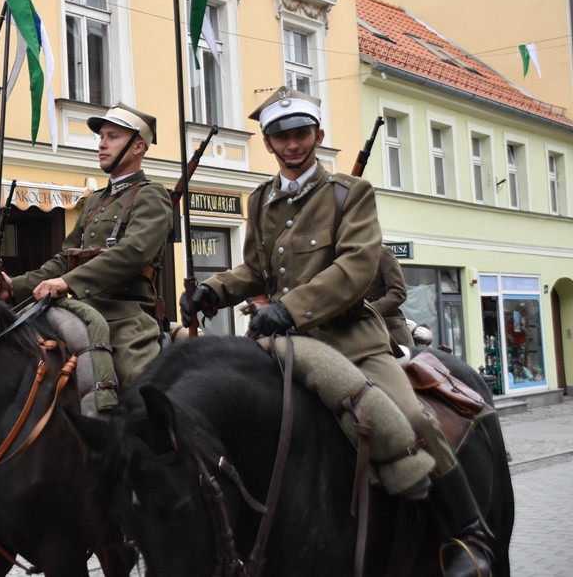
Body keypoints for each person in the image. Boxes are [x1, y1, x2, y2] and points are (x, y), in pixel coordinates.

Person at [180, 86, 492, 577]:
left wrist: (289, 309)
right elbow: (256, 270)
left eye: (301, 134)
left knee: (410, 416)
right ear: (267, 143)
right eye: (280, 136)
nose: (292, 145)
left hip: (351, 341)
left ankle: (468, 535)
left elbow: (356, 268)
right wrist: (215, 290)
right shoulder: (260, 199)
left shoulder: (349, 194)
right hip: (281, 346)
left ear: (318, 136)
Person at [0, 103, 172, 386]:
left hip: (124, 317)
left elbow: (133, 253)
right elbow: (65, 259)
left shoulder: (152, 196)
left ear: (138, 147)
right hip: (80, 312)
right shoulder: (95, 201)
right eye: (101, 137)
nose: (102, 144)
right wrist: (15, 287)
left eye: (113, 137)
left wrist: (67, 283)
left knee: (138, 389)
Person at [366, 245, 414, 347]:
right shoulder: (346, 258)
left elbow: (398, 293)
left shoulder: (382, 253)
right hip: (360, 327)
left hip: (389, 327)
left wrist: (368, 309)